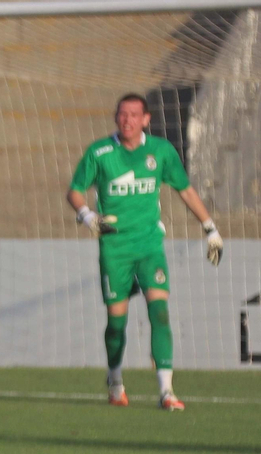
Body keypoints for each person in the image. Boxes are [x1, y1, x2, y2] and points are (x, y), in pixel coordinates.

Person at [67, 93, 223, 410]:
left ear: (146, 119)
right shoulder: (100, 152)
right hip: (115, 249)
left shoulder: (160, 151)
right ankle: (115, 381)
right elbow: (75, 192)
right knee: (116, 323)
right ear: (115, 118)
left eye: (134, 115)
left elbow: (185, 190)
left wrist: (211, 229)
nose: (128, 120)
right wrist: (88, 217)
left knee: (160, 312)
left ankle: (166, 391)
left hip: (150, 245)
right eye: (122, 114)